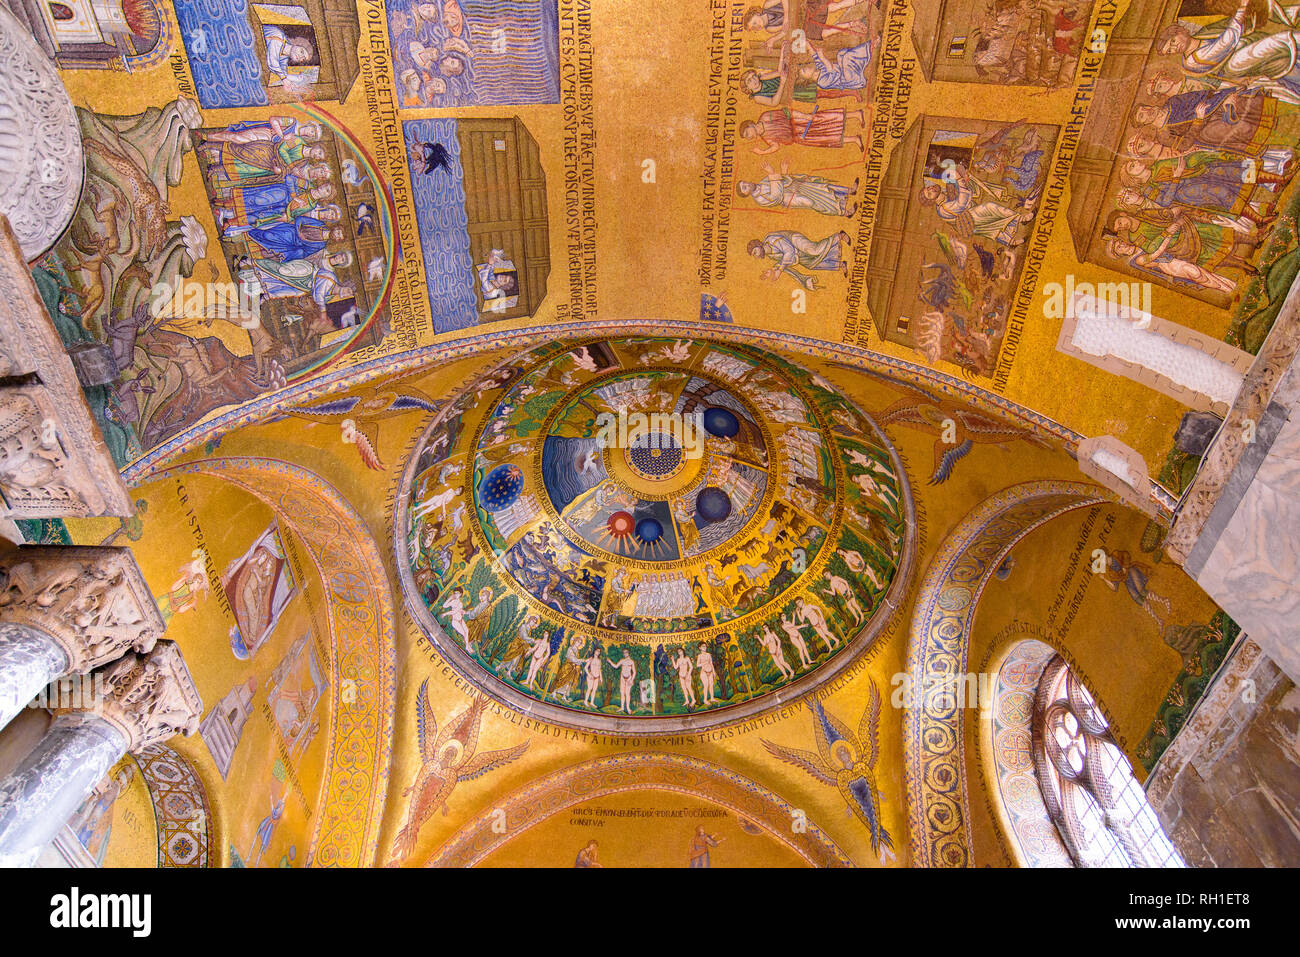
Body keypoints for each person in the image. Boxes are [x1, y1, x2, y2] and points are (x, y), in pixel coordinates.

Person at [748, 230, 851, 289]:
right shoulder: (770, 255)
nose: (756, 256)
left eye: (755, 252)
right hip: (795, 253)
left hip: (795, 241)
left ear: (759, 245)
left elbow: (789, 251)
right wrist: (773, 270)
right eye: (754, 255)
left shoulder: (771, 240)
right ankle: (840, 264)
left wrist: (779, 270)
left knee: (814, 250)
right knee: (811, 264)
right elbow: (783, 260)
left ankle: (839, 236)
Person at [739, 106, 866, 153]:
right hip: (799, 137)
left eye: (747, 132)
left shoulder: (765, 117)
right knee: (826, 138)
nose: (749, 136)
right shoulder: (765, 137)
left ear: (750, 125)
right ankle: (854, 139)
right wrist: (762, 152)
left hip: (798, 122)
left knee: (825, 118)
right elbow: (775, 146)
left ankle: (856, 114)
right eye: (747, 137)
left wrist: (805, 116)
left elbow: (786, 112)